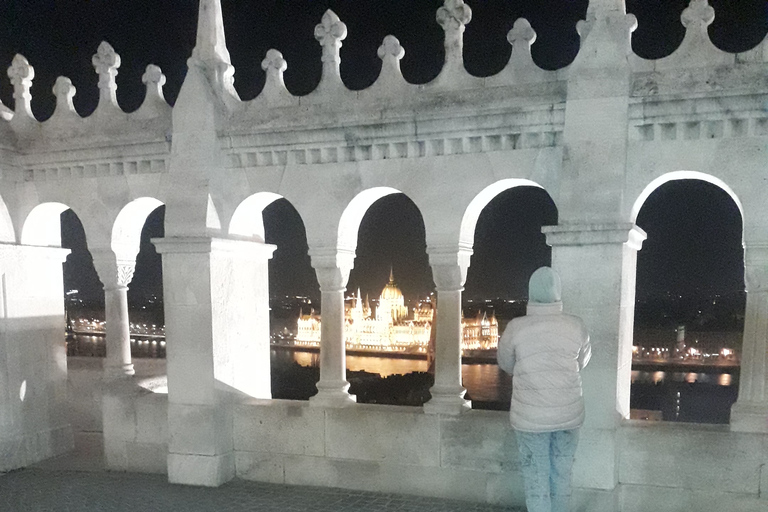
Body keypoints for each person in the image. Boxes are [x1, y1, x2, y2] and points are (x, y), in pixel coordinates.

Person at [497, 266, 591, 512]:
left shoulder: (516, 327)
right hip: (568, 416)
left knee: (536, 478)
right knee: (562, 475)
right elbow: (583, 362)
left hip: (530, 419)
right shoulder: (576, 325)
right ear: (558, 292)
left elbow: (505, 364)